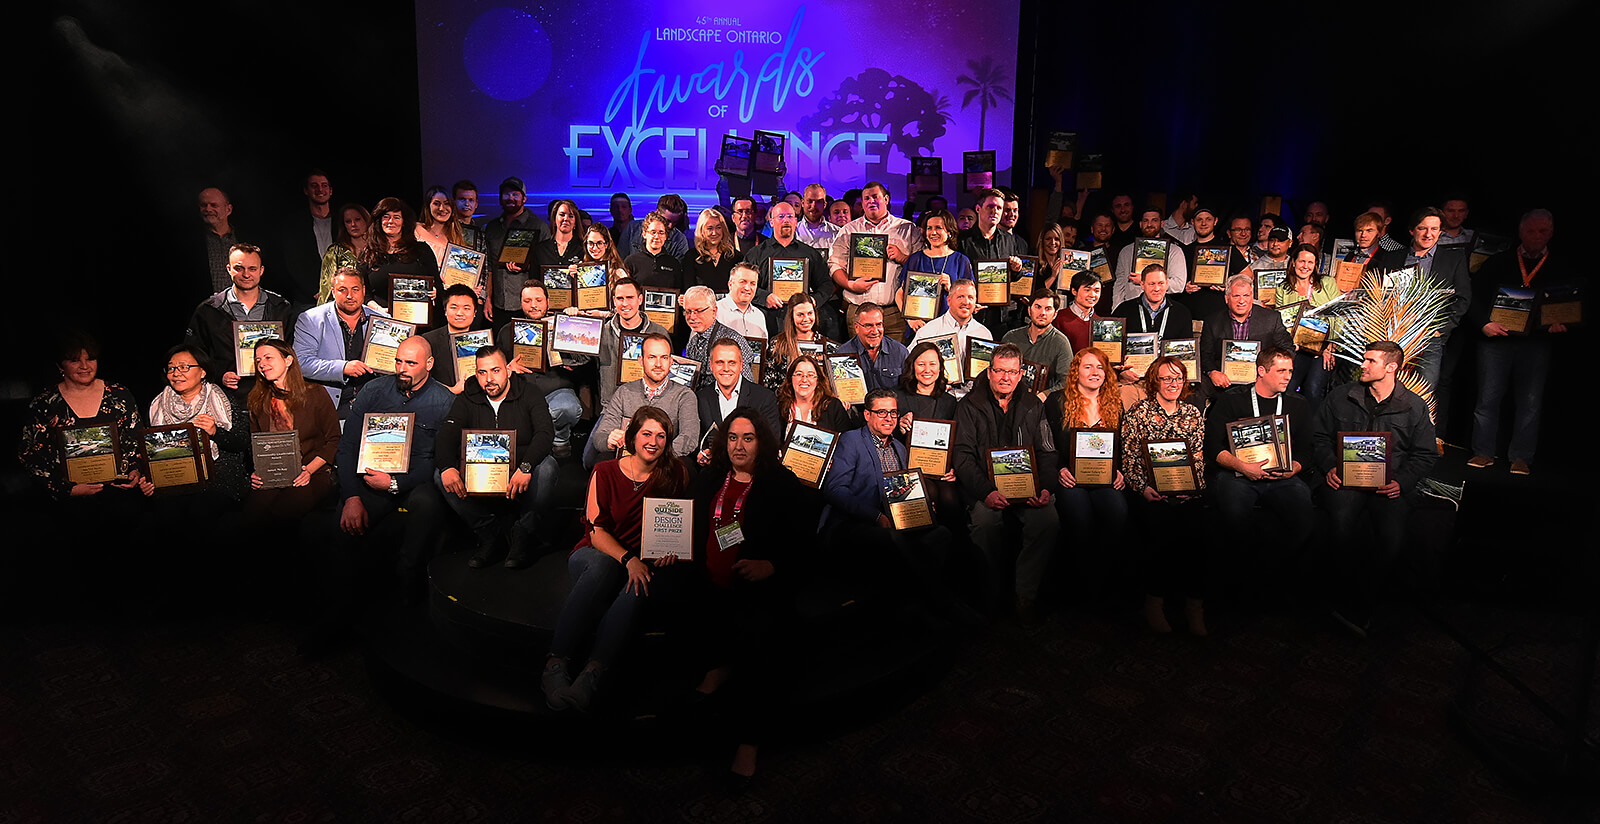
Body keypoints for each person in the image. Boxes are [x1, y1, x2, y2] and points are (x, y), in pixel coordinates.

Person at [683, 408, 808, 783]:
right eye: (733, 437)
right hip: (709, 582)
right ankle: (719, 665)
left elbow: (802, 541)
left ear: (762, 443)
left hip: (756, 587)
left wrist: (773, 565)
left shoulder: (780, 483)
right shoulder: (711, 478)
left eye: (748, 438)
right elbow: (687, 520)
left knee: (758, 644)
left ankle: (749, 742)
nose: (739, 445)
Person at [543, 406, 690, 711]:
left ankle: (592, 675)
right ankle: (556, 664)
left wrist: (671, 549)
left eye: (661, 436)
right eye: (647, 433)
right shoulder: (605, 471)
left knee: (639, 585)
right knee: (603, 565)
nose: (653, 441)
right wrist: (628, 560)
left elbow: (676, 524)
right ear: (632, 437)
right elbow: (596, 532)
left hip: (642, 563)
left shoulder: (675, 473)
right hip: (596, 554)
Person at [1314, 342, 1437, 637]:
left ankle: (1364, 600)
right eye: (1364, 360)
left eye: (1370, 361)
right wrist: (1330, 466)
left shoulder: (1414, 405)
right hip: (1344, 480)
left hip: (1389, 485)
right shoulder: (1341, 397)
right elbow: (1318, 437)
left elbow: (1426, 454)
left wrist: (1402, 482)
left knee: (1391, 538)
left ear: (1391, 367)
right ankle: (1342, 601)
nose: (1363, 365)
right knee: (1341, 526)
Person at [330, 335, 454, 614]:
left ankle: (409, 601)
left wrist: (397, 482)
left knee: (427, 505)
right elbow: (347, 447)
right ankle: (343, 613)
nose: (402, 368)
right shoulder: (374, 391)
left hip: (415, 480)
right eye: (399, 361)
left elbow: (439, 459)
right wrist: (351, 496)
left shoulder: (444, 401)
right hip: (370, 476)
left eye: (411, 362)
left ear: (429, 364)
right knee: (343, 529)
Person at [820, 389, 965, 617]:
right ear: (867, 415)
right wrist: (876, 516)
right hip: (855, 523)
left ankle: (918, 601)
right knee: (894, 540)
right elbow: (835, 490)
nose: (889, 418)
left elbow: (905, 489)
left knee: (942, 534)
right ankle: (940, 604)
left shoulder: (899, 447)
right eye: (882, 412)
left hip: (897, 520)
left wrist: (922, 507)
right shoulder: (851, 440)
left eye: (893, 413)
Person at [952, 343, 1058, 622]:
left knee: (1047, 521)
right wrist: (986, 492)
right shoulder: (968, 406)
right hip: (985, 489)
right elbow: (962, 457)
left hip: (1029, 489)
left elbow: (1047, 451)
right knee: (986, 524)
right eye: (999, 370)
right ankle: (990, 594)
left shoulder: (1034, 405)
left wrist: (1045, 487)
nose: (1005, 377)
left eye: (1011, 372)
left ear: (1021, 373)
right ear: (989, 372)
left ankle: (1025, 594)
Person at [436, 346, 558, 569]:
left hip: (520, 466)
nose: (489, 379)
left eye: (495, 371)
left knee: (548, 467)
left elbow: (545, 433)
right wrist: (446, 466)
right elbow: (446, 434)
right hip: (481, 468)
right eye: (482, 373)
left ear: (508, 370)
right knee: (440, 474)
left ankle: (523, 532)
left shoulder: (530, 393)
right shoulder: (467, 397)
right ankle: (489, 532)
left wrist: (526, 467)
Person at [1468, 209, 1566, 476]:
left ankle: (1521, 457)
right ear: (1521, 232)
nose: (1537, 236)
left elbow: (1567, 304)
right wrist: (1484, 324)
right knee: (1487, 398)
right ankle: (1483, 452)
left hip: (1536, 343)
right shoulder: (1498, 262)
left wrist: (1561, 323)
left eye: (1543, 231)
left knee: (1530, 402)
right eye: (1531, 231)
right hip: (1496, 340)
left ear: (1551, 233)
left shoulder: (1560, 266)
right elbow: (1473, 298)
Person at [1203, 346, 1314, 580]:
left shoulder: (1298, 404)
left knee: (1304, 518)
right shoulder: (1231, 400)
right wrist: (1242, 467)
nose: (1288, 376)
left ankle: (1271, 574)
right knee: (1235, 519)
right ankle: (1240, 580)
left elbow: (1306, 450)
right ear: (1262, 371)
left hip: (1282, 478)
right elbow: (1213, 448)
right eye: (1281, 370)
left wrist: (1293, 468)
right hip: (1238, 476)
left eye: (1290, 371)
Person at [1119, 356, 1208, 635]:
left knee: (1199, 531)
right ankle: (1154, 603)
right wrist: (1143, 487)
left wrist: (1192, 489)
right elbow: (1129, 459)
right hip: (1148, 491)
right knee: (1160, 527)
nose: (1173, 384)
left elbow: (1198, 460)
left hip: (1186, 492)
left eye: (1178, 378)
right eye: (1166, 378)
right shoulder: (1138, 412)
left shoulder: (1193, 414)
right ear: (1154, 381)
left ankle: (1195, 607)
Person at [1376, 206, 1472, 442]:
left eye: (1434, 229)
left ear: (1440, 231)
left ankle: (1420, 443)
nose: (1429, 234)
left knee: (1424, 391)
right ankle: (1387, 439)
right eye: (1423, 228)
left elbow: (1463, 298)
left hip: (1428, 337)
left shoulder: (1453, 258)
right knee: (1386, 389)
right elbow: (1376, 294)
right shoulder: (1392, 257)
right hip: (1392, 336)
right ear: (1411, 230)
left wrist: (1442, 327)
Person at [18, 332, 144, 502]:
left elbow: (136, 440)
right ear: (60, 366)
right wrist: (66, 489)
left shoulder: (119, 395)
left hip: (119, 497)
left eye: (90, 359)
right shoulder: (46, 404)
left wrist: (134, 471)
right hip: (66, 504)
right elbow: (30, 454)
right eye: (75, 360)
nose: (85, 366)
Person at [1044, 348, 1127, 596]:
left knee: (1118, 513)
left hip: (1104, 479)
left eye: (1100, 367)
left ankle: (1103, 585)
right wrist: (1059, 470)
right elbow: (1046, 445)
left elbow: (1120, 446)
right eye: (1088, 366)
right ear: (1075, 372)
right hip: (1070, 479)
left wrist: (1119, 471)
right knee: (1080, 518)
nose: (1095, 372)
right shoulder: (1057, 402)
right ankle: (1077, 587)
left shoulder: (1115, 404)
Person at [242, 339, 339, 528]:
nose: (262, 364)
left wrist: (309, 470)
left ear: (288, 360)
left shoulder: (315, 393)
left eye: (268, 357)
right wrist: (257, 472)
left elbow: (334, 439)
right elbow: (256, 443)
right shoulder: (257, 399)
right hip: (273, 474)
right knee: (251, 515)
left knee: (282, 514)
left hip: (312, 471)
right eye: (258, 360)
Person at [183, 243, 298, 400]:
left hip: (273, 395)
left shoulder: (281, 308)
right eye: (239, 268)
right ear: (229, 269)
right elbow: (194, 354)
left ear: (261, 271)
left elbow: (291, 350)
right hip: (228, 397)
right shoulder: (209, 310)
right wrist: (219, 374)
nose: (246, 274)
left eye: (252, 269)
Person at [147, 343, 250, 502]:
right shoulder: (158, 405)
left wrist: (216, 431)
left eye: (184, 367)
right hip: (175, 481)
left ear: (202, 372)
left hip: (218, 483)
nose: (176, 373)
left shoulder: (222, 400)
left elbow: (241, 442)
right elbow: (154, 453)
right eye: (171, 368)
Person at [586, 333, 700, 470]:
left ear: (671, 361)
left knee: (686, 466)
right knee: (601, 462)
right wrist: (609, 440)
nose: (658, 364)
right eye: (652, 357)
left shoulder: (685, 395)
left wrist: (655, 456)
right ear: (641, 360)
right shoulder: (624, 392)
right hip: (627, 461)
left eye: (664, 358)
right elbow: (600, 436)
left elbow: (689, 438)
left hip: (665, 462)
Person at [497, 282, 584, 456]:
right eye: (527, 301)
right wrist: (507, 368)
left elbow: (584, 361)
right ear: (520, 303)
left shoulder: (564, 326)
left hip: (556, 389)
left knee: (568, 408)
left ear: (548, 302)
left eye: (538, 300)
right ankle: (539, 443)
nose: (533, 305)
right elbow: (495, 366)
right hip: (522, 391)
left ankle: (559, 438)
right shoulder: (506, 331)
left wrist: (575, 319)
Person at [829, 181, 923, 341]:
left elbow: (923, 268)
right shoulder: (848, 231)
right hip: (859, 311)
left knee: (896, 363)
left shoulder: (908, 229)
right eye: (866, 199)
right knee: (861, 363)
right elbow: (835, 266)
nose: (871, 201)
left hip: (895, 313)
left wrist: (903, 258)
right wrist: (851, 285)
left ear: (886, 199)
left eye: (875, 197)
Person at [293, 267, 387, 421]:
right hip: (330, 407)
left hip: (372, 406)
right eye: (342, 290)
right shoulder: (311, 320)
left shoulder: (382, 320)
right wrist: (342, 368)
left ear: (363, 290)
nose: (350, 296)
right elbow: (301, 364)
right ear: (333, 291)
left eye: (355, 289)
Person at [740, 200, 833, 332]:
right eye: (781, 216)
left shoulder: (810, 254)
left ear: (796, 221)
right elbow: (743, 285)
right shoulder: (756, 254)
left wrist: (813, 300)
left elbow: (826, 284)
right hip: (766, 320)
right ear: (771, 222)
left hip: (801, 322)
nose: (786, 220)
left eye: (790, 216)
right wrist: (764, 297)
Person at [1199, 274, 1294, 395]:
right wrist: (1212, 372)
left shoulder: (1271, 319)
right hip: (1224, 381)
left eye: (1246, 295)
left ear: (1252, 297)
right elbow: (1205, 353)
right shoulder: (1213, 321)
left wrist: (1268, 372)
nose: (1241, 301)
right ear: (1227, 298)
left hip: (1261, 380)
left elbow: (1288, 350)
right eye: (1236, 296)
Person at [695, 338, 784, 462]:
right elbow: (696, 440)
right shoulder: (700, 398)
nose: (726, 368)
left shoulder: (764, 398)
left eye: (732, 363)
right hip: (713, 471)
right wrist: (702, 454)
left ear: (741, 365)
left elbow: (771, 441)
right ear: (711, 366)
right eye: (720, 362)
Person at [1277, 243, 1342, 403]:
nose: (1305, 266)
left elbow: (1338, 315)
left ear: (1315, 265)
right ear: (1293, 262)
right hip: (1296, 348)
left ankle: (1314, 427)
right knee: (1288, 388)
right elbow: (1280, 320)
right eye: (1302, 261)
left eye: (1310, 262)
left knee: (1313, 390)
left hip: (1323, 348)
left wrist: (1329, 346)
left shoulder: (1327, 283)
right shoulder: (1283, 288)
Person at [483, 177, 551, 328]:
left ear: (524, 198)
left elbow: (547, 268)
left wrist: (528, 266)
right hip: (498, 305)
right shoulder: (492, 227)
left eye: (515, 194)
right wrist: (487, 299)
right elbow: (488, 268)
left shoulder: (539, 227)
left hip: (528, 308)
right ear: (500, 198)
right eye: (506, 194)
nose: (510, 198)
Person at [1112, 264, 1194, 385]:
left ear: (1167, 284)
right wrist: (1121, 373)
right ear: (1142, 285)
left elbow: (1185, 353)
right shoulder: (1123, 310)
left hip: (1169, 380)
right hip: (1133, 379)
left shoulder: (1182, 312)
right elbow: (1113, 351)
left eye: (1161, 283)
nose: (1157, 288)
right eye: (1151, 284)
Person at [595, 276, 670, 406]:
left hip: (652, 407)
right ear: (614, 301)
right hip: (612, 407)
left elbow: (669, 372)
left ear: (640, 299)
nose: (625, 304)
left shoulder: (659, 333)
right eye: (620, 298)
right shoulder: (602, 332)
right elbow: (578, 360)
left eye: (630, 298)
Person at [909, 280, 992, 397]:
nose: (966, 302)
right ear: (949, 301)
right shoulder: (928, 331)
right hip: (936, 396)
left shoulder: (984, 334)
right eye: (960, 297)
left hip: (972, 398)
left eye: (970, 297)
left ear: (975, 302)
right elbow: (909, 363)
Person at [359, 197, 439, 316]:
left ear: (404, 222)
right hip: (381, 319)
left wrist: (434, 291)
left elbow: (436, 283)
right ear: (379, 221)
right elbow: (361, 289)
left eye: (396, 217)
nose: (391, 221)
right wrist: (377, 309)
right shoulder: (368, 254)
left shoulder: (421, 250)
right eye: (386, 217)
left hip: (418, 320)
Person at [900, 209, 974, 329]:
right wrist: (910, 320)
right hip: (920, 326)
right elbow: (900, 293)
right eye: (929, 228)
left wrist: (951, 288)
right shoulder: (916, 259)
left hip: (951, 326)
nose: (933, 232)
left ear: (949, 231)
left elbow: (969, 297)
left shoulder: (961, 260)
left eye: (938, 228)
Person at [680, 286, 757, 390]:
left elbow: (747, 387)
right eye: (688, 311)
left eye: (698, 311)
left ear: (714, 311)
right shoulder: (692, 342)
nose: (692, 317)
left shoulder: (733, 340)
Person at [1003, 289, 1074, 399]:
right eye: (1038, 307)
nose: (1042, 313)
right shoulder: (1011, 337)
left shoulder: (1061, 343)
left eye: (1048, 309)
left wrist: (1045, 395)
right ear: (1029, 310)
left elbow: (1067, 381)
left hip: (1043, 405)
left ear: (1055, 314)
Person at [1111, 207, 1188, 306]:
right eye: (1146, 221)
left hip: (1162, 309)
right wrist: (1116, 312)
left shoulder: (1174, 251)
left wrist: (1146, 281)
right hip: (1132, 309)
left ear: (1162, 224)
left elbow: (1179, 285)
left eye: (1154, 220)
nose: (1149, 224)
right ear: (1140, 224)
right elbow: (1119, 286)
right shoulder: (1126, 251)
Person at [279, 169, 335, 305]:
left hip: (339, 296)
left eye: (324, 185)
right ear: (306, 190)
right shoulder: (294, 224)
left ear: (330, 190)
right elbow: (292, 262)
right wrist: (314, 290)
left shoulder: (342, 221)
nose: (320, 189)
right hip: (307, 299)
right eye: (314, 185)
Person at [832, 302, 912, 393]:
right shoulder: (842, 354)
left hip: (892, 406)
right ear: (857, 327)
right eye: (868, 325)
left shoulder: (899, 352)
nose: (875, 331)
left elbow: (908, 390)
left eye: (879, 324)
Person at [763, 293, 833, 394]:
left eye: (810, 313)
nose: (806, 319)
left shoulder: (826, 346)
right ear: (791, 316)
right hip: (785, 403)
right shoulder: (778, 344)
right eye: (800, 315)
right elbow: (769, 383)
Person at [420, 285, 483, 394]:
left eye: (466, 308)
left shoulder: (483, 340)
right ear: (445, 310)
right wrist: (451, 390)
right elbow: (420, 378)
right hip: (440, 403)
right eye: (454, 307)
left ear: (475, 313)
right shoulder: (428, 341)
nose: (460, 313)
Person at [777, 354, 855, 432]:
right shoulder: (780, 406)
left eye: (810, 375)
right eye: (799, 374)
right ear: (791, 378)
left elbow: (846, 440)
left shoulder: (833, 406)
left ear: (817, 380)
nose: (804, 380)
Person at [316, 203, 370, 305]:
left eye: (357, 219)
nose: (353, 224)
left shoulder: (377, 251)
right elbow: (327, 289)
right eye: (348, 221)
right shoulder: (335, 252)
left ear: (366, 221)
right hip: (344, 308)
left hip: (375, 309)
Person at [623, 211, 687, 292]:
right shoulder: (631, 262)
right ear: (644, 234)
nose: (657, 237)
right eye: (653, 232)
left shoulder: (674, 264)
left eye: (661, 233)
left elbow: (678, 292)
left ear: (666, 236)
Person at [683, 208, 742, 294]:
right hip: (701, 306)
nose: (714, 233)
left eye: (718, 228)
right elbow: (688, 290)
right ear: (702, 231)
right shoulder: (692, 257)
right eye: (710, 228)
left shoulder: (735, 256)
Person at [199, 186, 244, 295]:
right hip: (206, 309)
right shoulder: (191, 242)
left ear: (228, 209)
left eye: (214, 205)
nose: (208, 209)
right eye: (203, 205)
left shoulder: (243, 239)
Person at [625, 194, 691, 260]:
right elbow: (620, 259)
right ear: (657, 212)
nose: (670, 226)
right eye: (667, 221)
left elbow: (679, 267)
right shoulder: (633, 228)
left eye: (675, 222)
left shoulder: (679, 239)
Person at [716, 263, 769, 340]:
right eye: (743, 282)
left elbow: (762, 349)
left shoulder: (759, 316)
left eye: (752, 283)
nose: (747, 288)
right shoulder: (715, 312)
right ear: (730, 284)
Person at [1052, 271, 1101, 353]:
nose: (1092, 295)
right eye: (1087, 290)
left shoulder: (1100, 322)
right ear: (1074, 291)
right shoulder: (1059, 318)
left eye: (1097, 291)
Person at [415, 184, 459, 267]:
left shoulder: (455, 237)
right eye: (436, 203)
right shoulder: (416, 230)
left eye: (447, 203)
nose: (442, 208)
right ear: (428, 206)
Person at [536, 199, 584, 269]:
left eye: (571, 216)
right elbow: (533, 278)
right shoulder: (540, 249)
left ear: (575, 222)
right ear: (554, 219)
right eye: (562, 215)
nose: (566, 219)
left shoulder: (584, 249)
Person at [796, 183, 840, 250]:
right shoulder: (793, 232)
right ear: (802, 203)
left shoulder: (837, 233)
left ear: (824, 205)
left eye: (819, 202)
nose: (813, 206)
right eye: (810, 201)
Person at [608, 192, 638, 257]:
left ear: (630, 210)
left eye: (624, 207)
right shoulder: (606, 235)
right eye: (616, 207)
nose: (620, 210)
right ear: (611, 210)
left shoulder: (639, 235)